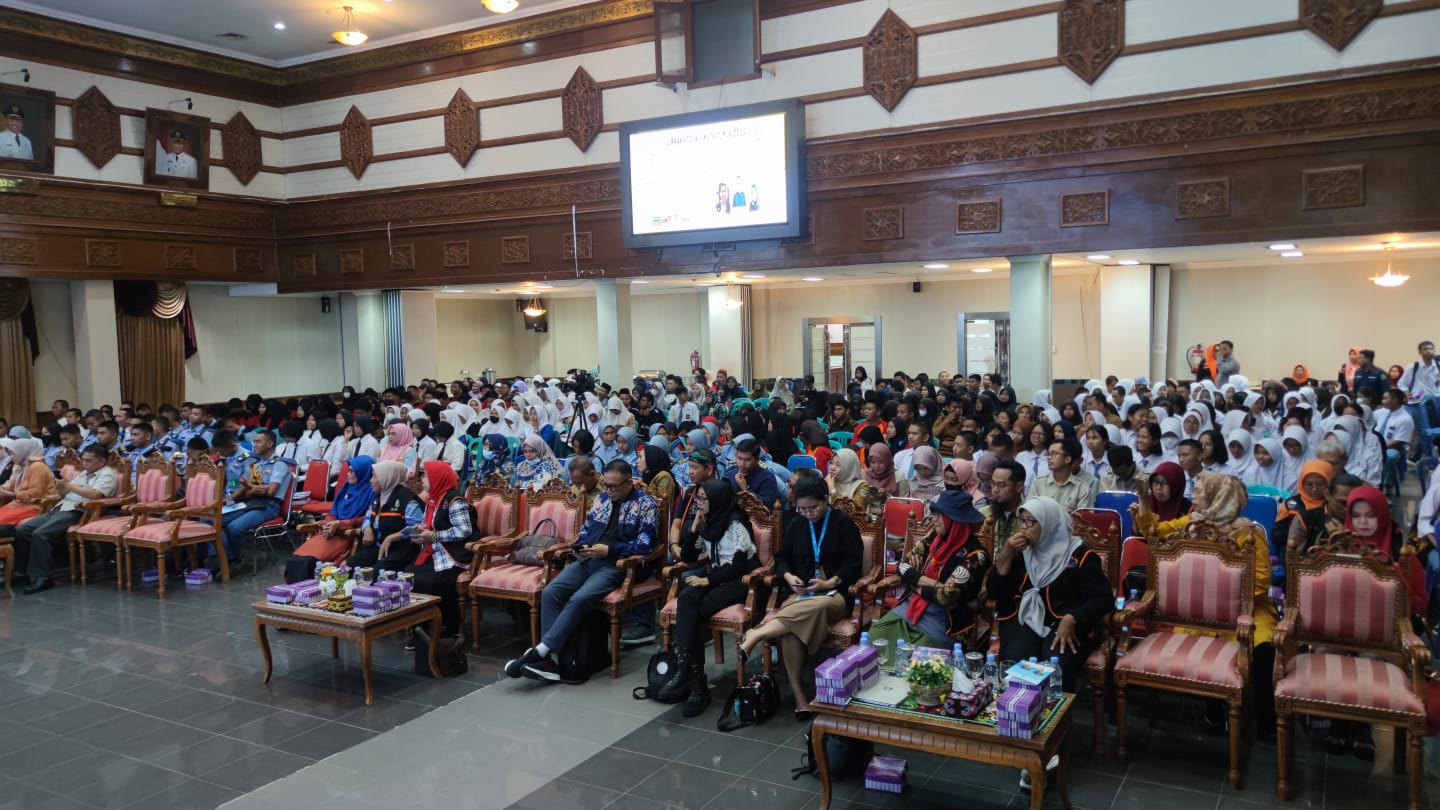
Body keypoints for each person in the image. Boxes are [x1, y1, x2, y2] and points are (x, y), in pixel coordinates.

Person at [1133, 472, 1278, 734]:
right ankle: (1214, 714)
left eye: (1199, 491)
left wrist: (1224, 600)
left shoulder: (1248, 533)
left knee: (1262, 648)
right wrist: (1144, 499)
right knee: (1202, 642)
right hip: (1200, 612)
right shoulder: (1193, 523)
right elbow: (1153, 530)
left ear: (1217, 497)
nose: (1194, 496)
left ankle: (1262, 720)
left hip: (1246, 611)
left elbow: (1260, 583)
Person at [506, 460, 659, 682]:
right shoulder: (602, 499)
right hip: (588, 559)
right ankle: (550, 662)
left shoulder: (646, 505)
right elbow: (586, 531)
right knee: (550, 592)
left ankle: (542, 651)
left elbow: (646, 544)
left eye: (614, 487)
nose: (608, 491)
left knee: (580, 598)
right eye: (606, 485)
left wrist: (609, 550)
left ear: (629, 483)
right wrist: (579, 549)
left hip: (616, 564)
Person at [737, 475, 864, 720]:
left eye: (813, 508)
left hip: (833, 594)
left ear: (825, 500)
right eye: (801, 508)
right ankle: (799, 696)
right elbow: (782, 558)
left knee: (820, 605)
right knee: (789, 630)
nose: (807, 513)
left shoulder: (843, 524)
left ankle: (758, 633)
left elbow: (853, 565)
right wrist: (788, 577)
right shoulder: (797, 524)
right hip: (800, 593)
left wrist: (830, 582)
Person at [987, 495, 1112, 701]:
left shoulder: (1080, 555)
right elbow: (996, 593)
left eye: (1031, 522)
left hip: (1065, 625)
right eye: (1022, 521)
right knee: (1017, 656)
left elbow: (1104, 598)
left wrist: (1073, 617)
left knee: (1057, 663)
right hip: (1024, 620)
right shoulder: (1021, 552)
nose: (1024, 528)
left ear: (1049, 524)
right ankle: (1017, 714)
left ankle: (1056, 723)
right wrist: (1005, 556)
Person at [659, 478, 760, 715]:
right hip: (717, 578)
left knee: (691, 607)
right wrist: (694, 527)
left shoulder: (735, 523)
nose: (698, 503)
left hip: (740, 582)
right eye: (698, 498)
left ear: (717, 500)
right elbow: (688, 556)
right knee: (688, 598)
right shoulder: (709, 521)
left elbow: (738, 567)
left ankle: (693, 678)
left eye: (703, 499)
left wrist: (708, 580)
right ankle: (690, 675)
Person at [868, 490, 990, 651]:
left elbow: (945, 597)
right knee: (876, 635)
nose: (932, 518)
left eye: (939, 514)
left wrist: (914, 581)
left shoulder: (976, 556)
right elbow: (902, 566)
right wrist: (932, 583)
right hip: (910, 607)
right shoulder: (934, 538)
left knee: (918, 658)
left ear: (954, 519)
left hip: (943, 620)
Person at [12, 446, 117, 594]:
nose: (85, 463)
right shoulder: (84, 473)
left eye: (89, 460)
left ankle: (42, 577)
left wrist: (69, 486)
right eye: (83, 459)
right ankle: (21, 573)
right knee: (22, 530)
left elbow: (96, 495)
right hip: (61, 507)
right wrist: (61, 486)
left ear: (101, 461)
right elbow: (64, 493)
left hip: (79, 511)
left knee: (41, 534)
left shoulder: (107, 475)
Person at [399, 461, 475, 639]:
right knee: (410, 574)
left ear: (437, 478)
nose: (422, 479)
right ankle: (420, 628)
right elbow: (432, 526)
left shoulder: (454, 500)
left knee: (433, 581)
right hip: (435, 551)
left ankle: (447, 627)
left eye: (425, 475)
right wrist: (421, 531)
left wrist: (433, 536)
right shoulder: (433, 499)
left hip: (454, 554)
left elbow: (464, 530)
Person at [284, 455, 376, 583]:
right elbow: (333, 511)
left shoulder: (372, 492)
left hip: (347, 535)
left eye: (351, 472)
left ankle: (308, 591)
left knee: (310, 561)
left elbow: (369, 518)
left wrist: (340, 524)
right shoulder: (346, 488)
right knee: (296, 559)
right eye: (347, 471)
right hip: (330, 533)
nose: (348, 475)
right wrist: (328, 523)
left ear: (363, 473)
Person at [219, 427, 292, 568]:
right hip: (253, 503)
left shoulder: (280, 464)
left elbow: (271, 491)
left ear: (270, 444)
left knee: (233, 527)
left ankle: (234, 560)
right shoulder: (257, 465)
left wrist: (252, 487)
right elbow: (251, 493)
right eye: (254, 442)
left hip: (269, 506)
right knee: (218, 519)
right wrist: (251, 489)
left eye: (258, 442)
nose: (255, 445)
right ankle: (221, 557)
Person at [347, 461, 424, 572]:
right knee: (350, 566)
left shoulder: (407, 500)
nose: (370, 480)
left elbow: (417, 529)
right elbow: (368, 517)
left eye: (374, 476)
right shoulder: (379, 496)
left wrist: (393, 537)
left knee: (373, 574)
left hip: (401, 550)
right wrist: (367, 527)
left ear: (387, 477)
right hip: (379, 547)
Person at [0, 437, 56, 529]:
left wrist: (13, 494)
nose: (11, 457)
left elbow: (35, 494)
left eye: (13, 453)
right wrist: (2, 489)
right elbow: (9, 485)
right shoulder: (19, 466)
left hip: (36, 506)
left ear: (23, 452)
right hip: (18, 504)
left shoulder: (37, 467)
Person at [1030, 438, 1097, 511]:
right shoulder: (1038, 483)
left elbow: (1083, 519)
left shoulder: (1082, 489)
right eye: (1048, 454)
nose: (1049, 457)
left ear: (1067, 459)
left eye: (1054, 453)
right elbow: (1029, 511)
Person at [1374, 388, 1414, 494]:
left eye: (1385, 398)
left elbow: (1399, 441)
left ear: (1395, 400)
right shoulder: (1380, 412)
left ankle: (1385, 483)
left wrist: (1381, 448)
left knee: (1391, 455)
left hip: (1391, 447)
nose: (1382, 401)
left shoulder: (1405, 419)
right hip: (1373, 444)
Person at [725, 438, 780, 511]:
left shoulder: (767, 477)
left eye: (747, 460)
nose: (742, 464)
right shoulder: (730, 474)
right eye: (739, 458)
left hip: (754, 518)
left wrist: (745, 489)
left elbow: (767, 503)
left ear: (757, 460)